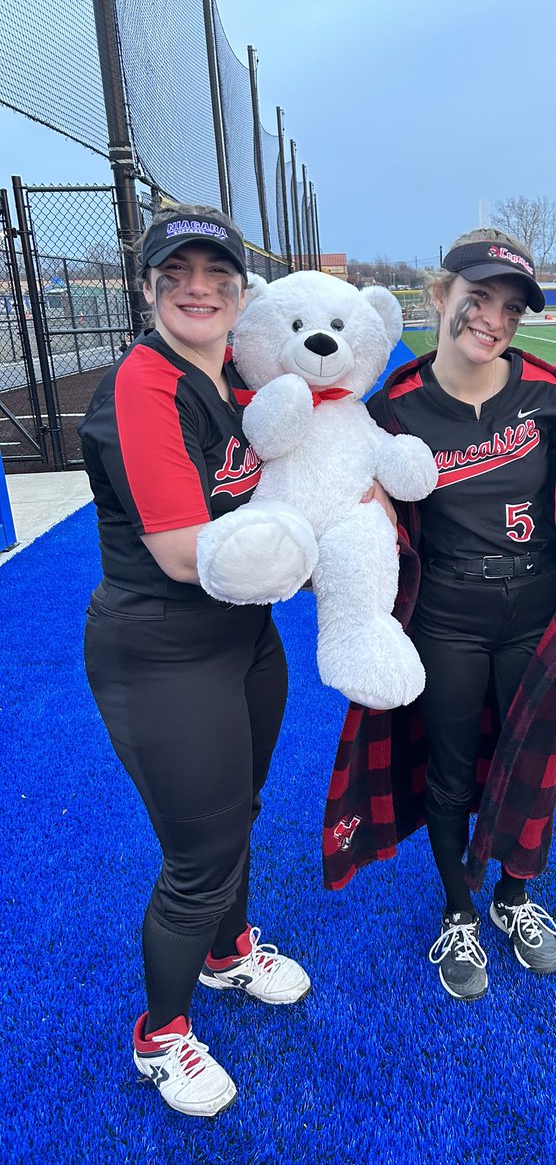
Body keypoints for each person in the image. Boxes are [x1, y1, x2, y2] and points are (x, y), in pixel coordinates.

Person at [322, 228, 556, 1002]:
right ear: (441, 297)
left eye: (509, 308)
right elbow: (355, 490)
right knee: (448, 768)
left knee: (529, 762)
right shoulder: (396, 404)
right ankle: (459, 910)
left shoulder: (547, 390)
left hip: (538, 612)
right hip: (447, 613)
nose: (492, 320)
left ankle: (513, 898)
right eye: (478, 299)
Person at [80, 204, 310, 1118]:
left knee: (238, 813)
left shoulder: (229, 380)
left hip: (243, 636)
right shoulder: (144, 383)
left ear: (241, 290)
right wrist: (307, 552)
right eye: (176, 275)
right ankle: (161, 1035)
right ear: (147, 289)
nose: (199, 289)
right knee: (197, 859)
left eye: (217, 274)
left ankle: (227, 955)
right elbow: (183, 553)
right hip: (163, 648)